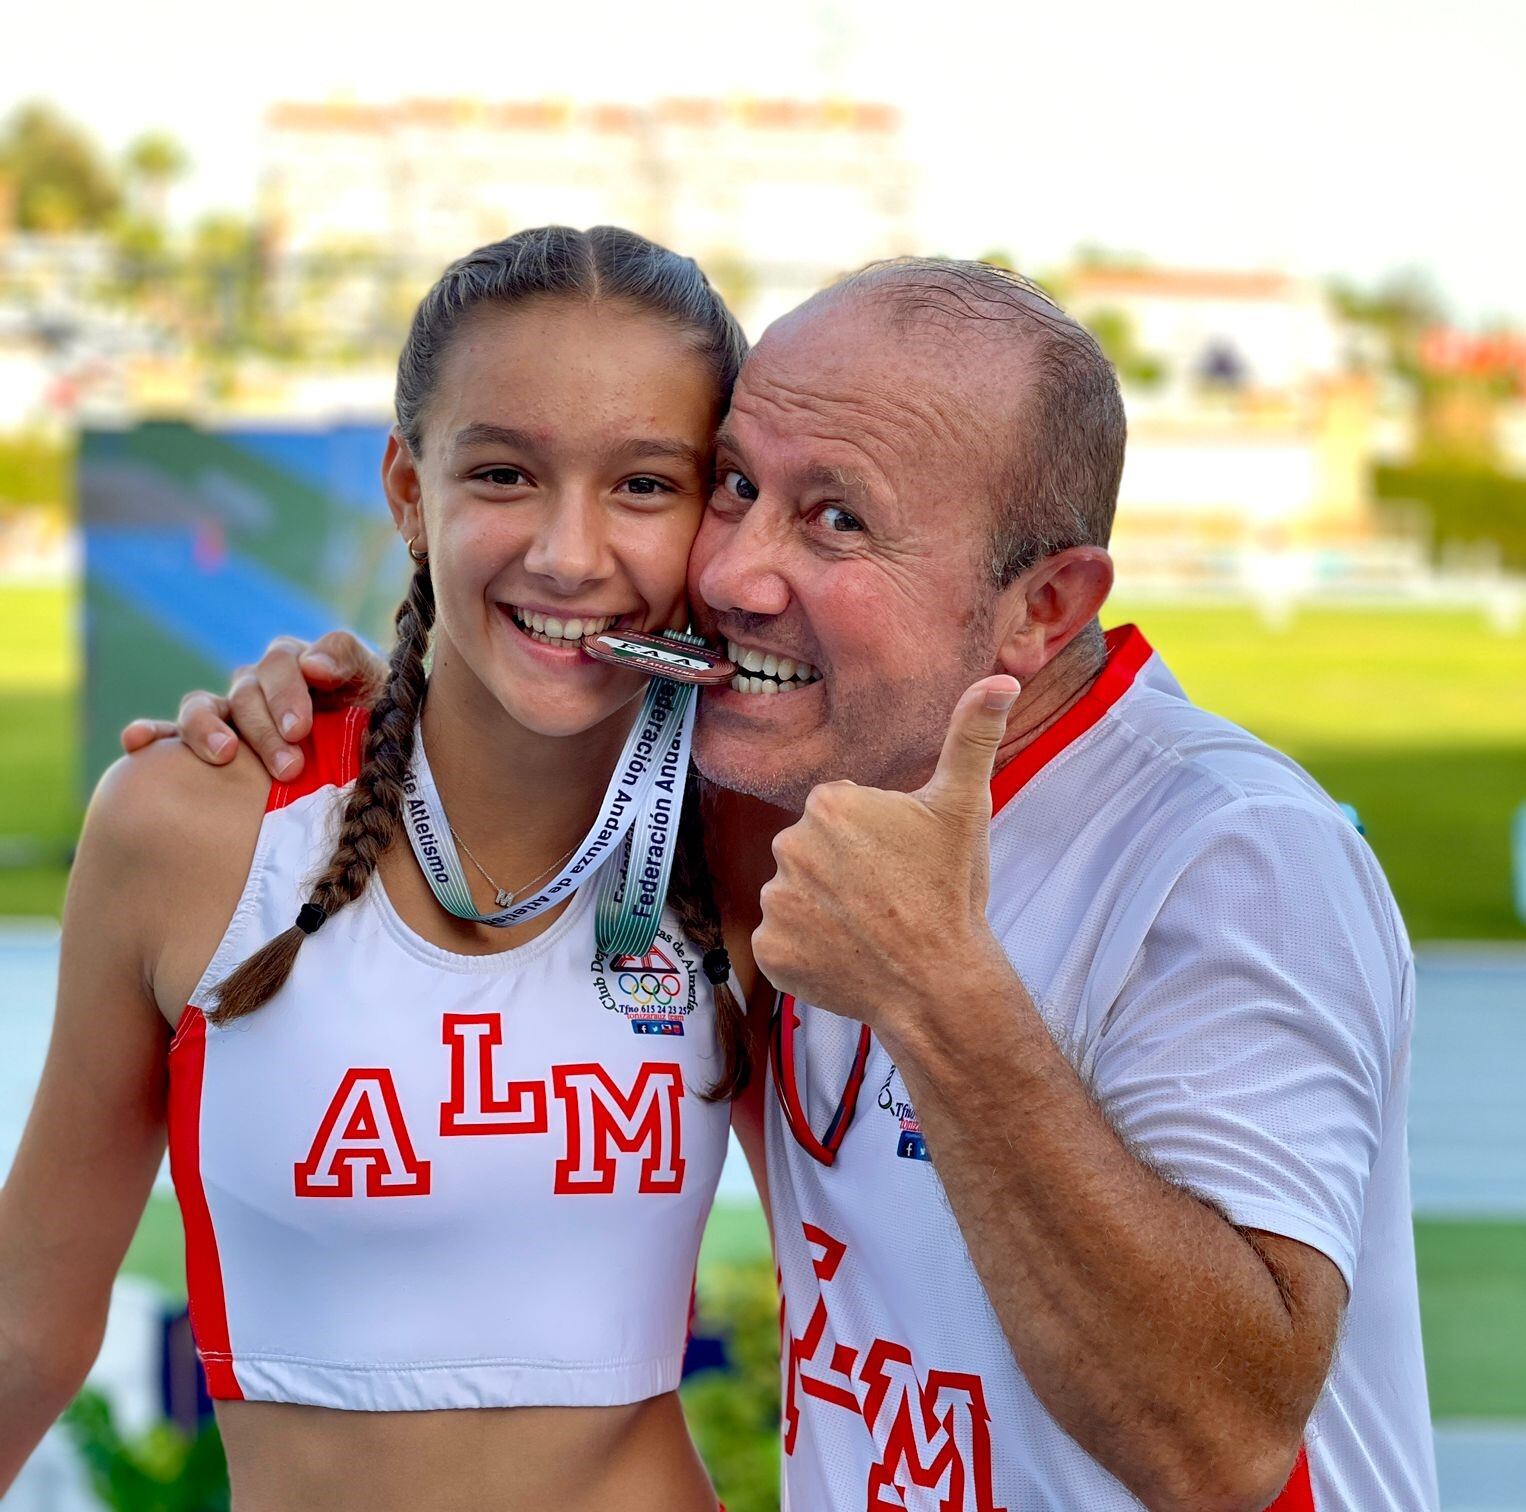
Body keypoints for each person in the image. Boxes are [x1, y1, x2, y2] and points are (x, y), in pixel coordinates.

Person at [137, 260, 1437, 1511]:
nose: (726, 575)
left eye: (834, 518)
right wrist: (363, 699)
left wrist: (937, 993)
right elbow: (500, 700)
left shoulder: (1225, 851)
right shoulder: (794, 794)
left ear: (1042, 607)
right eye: (736, 487)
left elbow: (1212, 1451)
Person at [0, 225, 762, 1512]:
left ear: (715, 511)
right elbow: (27, 1328)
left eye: (644, 484)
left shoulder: (745, 843)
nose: (570, 555)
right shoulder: (193, 828)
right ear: (409, 490)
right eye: (507, 474)